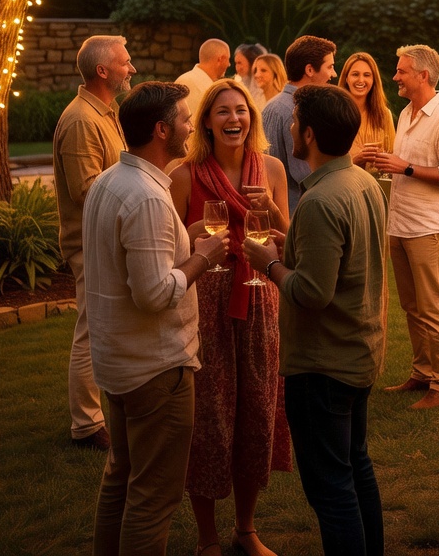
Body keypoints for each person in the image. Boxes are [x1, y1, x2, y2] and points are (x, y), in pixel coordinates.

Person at [85, 81, 229, 556]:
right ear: (162, 129)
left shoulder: (110, 182)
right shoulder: (145, 195)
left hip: (119, 363)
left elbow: (135, 262)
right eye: (186, 119)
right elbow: (154, 293)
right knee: (153, 498)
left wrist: (184, 241)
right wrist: (204, 257)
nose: (192, 126)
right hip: (156, 368)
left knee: (121, 479)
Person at [243, 84, 388, 556]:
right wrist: (287, 237)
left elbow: (312, 292)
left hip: (324, 365)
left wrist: (267, 262)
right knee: (355, 466)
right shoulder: (360, 182)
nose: (288, 129)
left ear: (308, 132)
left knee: (331, 489)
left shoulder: (323, 199)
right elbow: (338, 261)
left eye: (293, 122)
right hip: (359, 351)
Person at [168, 79, 292, 556]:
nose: (233, 119)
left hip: (260, 297)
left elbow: (288, 238)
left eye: (241, 110)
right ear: (205, 121)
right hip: (206, 300)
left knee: (256, 411)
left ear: (252, 119)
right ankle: (207, 536)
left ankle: (245, 529)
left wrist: (275, 217)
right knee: (211, 416)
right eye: (222, 112)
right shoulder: (185, 174)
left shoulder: (273, 169)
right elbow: (169, 248)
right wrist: (191, 231)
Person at [53, 34, 136, 451]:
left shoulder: (107, 111)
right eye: (125, 62)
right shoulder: (82, 120)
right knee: (91, 330)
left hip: (109, 238)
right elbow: (87, 191)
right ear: (102, 70)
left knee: (106, 326)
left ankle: (112, 407)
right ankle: (86, 424)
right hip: (90, 242)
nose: (131, 68)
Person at [376, 44, 439, 409]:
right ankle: (422, 372)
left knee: (433, 308)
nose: (395, 76)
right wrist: (388, 164)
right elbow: (404, 165)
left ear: (423, 75)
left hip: (428, 228)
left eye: (401, 71)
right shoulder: (406, 113)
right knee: (412, 307)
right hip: (400, 223)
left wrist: (405, 168)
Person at [262, 35, 337, 216]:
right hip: (297, 214)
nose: (333, 74)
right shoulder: (297, 110)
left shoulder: (272, 105)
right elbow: (307, 175)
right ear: (310, 70)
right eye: (330, 67)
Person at [338, 51, 397, 174]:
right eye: (355, 74)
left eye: (367, 75)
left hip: (375, 187)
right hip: (343, 186)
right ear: (346, 78)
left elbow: (392, 160)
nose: (361, 80)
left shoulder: (384, 115)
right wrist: (356, 160)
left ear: (374, 80)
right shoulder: (334, 114)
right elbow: (327, 166)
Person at [177, 39, 232, 117]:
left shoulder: (205, 84)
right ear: (220, 59)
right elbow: (190, 123)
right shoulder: (188, 82)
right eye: (228, 59)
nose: (229, 64)